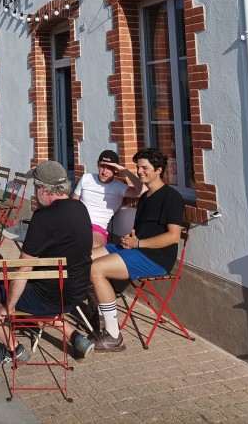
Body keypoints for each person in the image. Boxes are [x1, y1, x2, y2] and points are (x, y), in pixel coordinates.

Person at [0, 160, 95, 364]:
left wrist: (8, 306)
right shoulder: (80, 208)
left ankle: (13, 350)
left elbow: (23, 270)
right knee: (29, 285)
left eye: (35, 187)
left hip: (51, 296)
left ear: (43, 189)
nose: (35, 193)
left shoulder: (43, 217)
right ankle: (74, 336)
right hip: (76, 291)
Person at [89, 147, 185, 352]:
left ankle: (113, 336)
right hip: (136, 249)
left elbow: (173, 236)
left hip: (156, 257)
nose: (140, 172)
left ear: (158, 170)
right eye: (138, 167)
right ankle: (98, 309)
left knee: (96, 269)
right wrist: (130, 240)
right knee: (84, 258)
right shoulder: (146, 197)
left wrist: (138, 244)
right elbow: (142, 231)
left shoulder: (171, 197)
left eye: (144, 168)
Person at [72, 149, 143, 255]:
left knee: (94, 245)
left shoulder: (118, 187)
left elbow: (141, 191)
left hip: (97, 228)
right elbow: (73, 204)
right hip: (77, 223)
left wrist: (125, 170)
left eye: (109, 167)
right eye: (102, 166)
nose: (104, 172)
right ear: (98, 165)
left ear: (115, 169)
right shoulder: (86, 178)